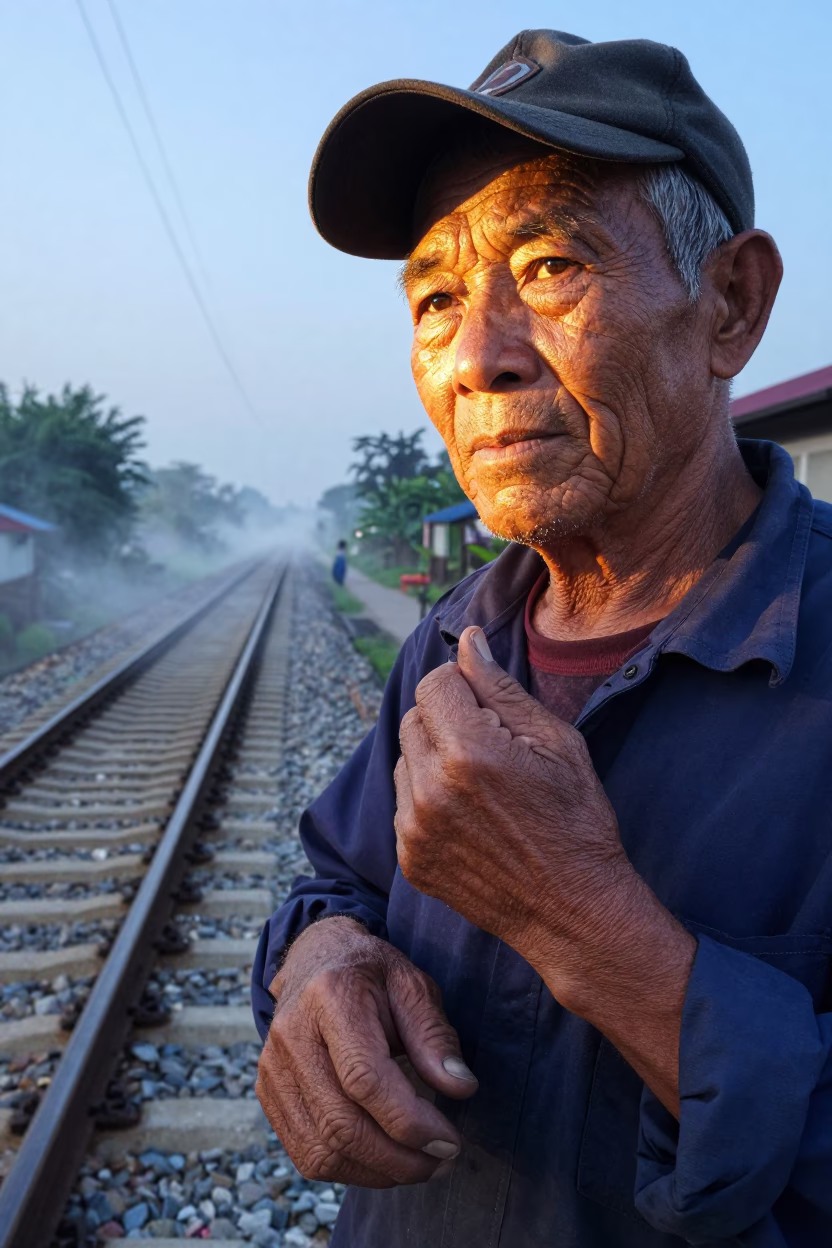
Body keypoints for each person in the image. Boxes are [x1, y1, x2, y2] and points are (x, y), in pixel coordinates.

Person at [253, 30, 832, 1246]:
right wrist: (321, 964)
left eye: (554, 263)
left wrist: (588, 922)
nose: (475, 358)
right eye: (435, 299)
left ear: (729, 303)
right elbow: (334, 878)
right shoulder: (462, 640)